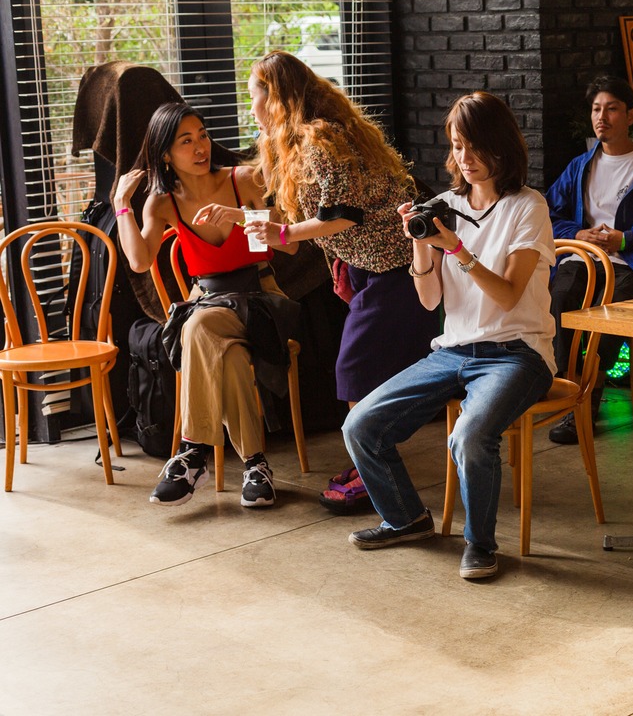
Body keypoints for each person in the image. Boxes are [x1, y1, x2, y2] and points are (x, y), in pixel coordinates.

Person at [342, 92, 556, 580]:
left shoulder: (528, 207)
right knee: (360, 426)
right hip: (454, 350)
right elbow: (430, 302)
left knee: (470, 435)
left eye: (476, 147)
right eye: (458, 147)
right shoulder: (443, 206)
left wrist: (456, 247)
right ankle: (406, 519)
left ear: (503, 148)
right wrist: (420, 247)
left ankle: (480, 544)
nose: (467, 159)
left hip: (517, 353)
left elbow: (506, 295)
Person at [113, 102, 299, 508]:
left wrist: (241, 217)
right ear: (166, 153)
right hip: (210, 302)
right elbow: (140, 261)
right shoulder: (163, 203)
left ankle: (192, 451)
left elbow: (292, 241)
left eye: (202, 135)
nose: (201, 147)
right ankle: (255, 464)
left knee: (197, 328)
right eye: (186, 141)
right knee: (226, 354)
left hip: (260, 297)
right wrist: (121, 204)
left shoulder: (242, 179)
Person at [241, 50, 437, 408]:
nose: (250, 108)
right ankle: (370, 459)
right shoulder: (296, 144)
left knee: (355, 370)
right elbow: (303, 211)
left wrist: (283, 236)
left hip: (395, 266)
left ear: (275, 100)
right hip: (369, 264)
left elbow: (342, 216)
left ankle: (368, 462)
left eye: (253, 98)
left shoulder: (319, 142)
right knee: (368, 374)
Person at [545, 75, 633, 444]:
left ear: (631, 116)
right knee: (559, 300)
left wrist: (625, 238)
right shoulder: (580, 166)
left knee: (605, 316)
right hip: (583, 259)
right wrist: (578, 234)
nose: (601, 116)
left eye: (611, 109)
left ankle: (583, 407)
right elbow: (548, 211)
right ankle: (567, 392)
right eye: (596, 109)